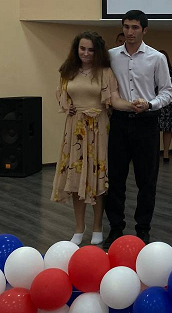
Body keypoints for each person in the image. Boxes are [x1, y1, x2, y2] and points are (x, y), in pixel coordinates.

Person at [51, 31, 139, 245]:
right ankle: (79, 228)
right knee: (75, 178)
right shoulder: (68, 71)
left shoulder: (105, 72)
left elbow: (114, 100)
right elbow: (62, 97)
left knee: (98, 178)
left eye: (91, 50)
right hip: (75, 129)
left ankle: (97, 226)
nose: (86, 53)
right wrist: (69, 107)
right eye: (82, 48)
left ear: (97, 51)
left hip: (99, 129)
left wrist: (133, 106)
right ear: (76, 49)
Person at [104, 10, 172, 248]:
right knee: (115, 178)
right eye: (126, 27)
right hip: (120, 122)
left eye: (135, 27)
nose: (130, 32)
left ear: (144, 30)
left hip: (147, 122)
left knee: (147, 180)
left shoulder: (156, 58)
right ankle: (115, 228)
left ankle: (143, 229)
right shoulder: (111, 56)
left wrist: (150, 104)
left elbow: (167, 91)